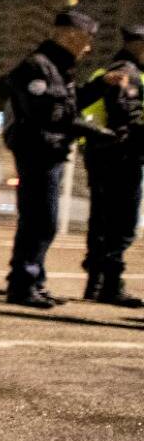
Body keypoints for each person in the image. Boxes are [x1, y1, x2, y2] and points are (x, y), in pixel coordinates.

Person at [3, 10, 101, 308]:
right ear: (72, 36)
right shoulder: (38, 66)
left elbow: (64, 107)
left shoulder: (57, 66)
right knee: (40, 220)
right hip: (38, 151)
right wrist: (94, 130)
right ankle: (23, 285)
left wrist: (101, 87)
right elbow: (49, 114)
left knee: (41, 220)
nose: (89, 48)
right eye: (86, 40)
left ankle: (34, 281)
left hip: (49, 150)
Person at [81, 24, 144, 307]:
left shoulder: (106, 71)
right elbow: (126, 117)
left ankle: (95, 284)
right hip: (122, 156)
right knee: (122, 224)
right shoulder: (129, 74)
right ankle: (110, 284)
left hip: (101, 154)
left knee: (103, 221)